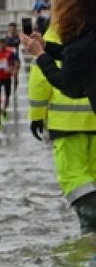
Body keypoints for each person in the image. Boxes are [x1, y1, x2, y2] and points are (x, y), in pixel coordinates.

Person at [27, 28, 96, 234]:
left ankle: (90, 227)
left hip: (66, 124)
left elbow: (40, 82)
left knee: (74, 177)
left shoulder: (53, 36)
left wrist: (36, 116)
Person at [21, 0, 96, 116]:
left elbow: (62, 81)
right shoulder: (89, 37)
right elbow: (78, 56)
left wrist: (40, 54)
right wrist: (45, 46)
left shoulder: (82, 44)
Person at [4, 22, 22, 89]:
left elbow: (20, 42)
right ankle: (8, 90)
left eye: (13, 28)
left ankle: (15, 90)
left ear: (15, 29)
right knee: (7, 76)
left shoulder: (18, 37)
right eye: (10, 28)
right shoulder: (5, 37)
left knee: (15, 76)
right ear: (8, 29)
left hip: (16, 59)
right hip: (8, 59)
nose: (11, 30)